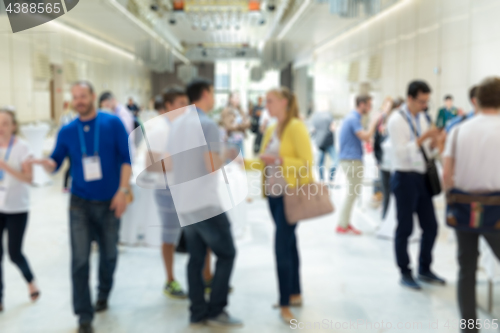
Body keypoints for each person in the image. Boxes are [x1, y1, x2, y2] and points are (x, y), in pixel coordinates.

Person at [31, 81, 132, 333]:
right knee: (79, 261)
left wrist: (123, 191)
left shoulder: (113, 123)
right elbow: (55, 163)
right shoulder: (66, 131)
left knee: (109, 255)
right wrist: (45, 163)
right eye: (75, 97)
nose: (79, 101)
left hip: (110, 201)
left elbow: (126, 160)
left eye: (83, 96)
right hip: (80, 204)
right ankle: (83, 316)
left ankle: (103, 292)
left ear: (93, 97)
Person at [246, 87, 313, 323]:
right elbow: (262, 162)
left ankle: (285, 303)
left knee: (281, 246)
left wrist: (279, 160)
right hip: (274, 195)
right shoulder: (272, 129)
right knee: (289, 243)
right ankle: (295, 293)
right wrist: (239, 162)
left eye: (271, 101)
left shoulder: (296, 127)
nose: (267, 106)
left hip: (290, 194)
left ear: (284, 103)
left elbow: (306, 164)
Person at [178, 78, 241, 327]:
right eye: (212, 93)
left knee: (195, 258)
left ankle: (197, 312)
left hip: (184, 201)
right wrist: (228, 154)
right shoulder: (207, 124)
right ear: (205, 94)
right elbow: (211, 166)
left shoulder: (178, 124)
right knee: (227, 253)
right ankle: (216, 310)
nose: (214, 97)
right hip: (205, 202)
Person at [443, 77, 500, 333]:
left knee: (466, 269)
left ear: (476, 100)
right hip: (497, 208)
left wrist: (451, 197)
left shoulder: (458, 130)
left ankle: (469, 327)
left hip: (464, 208)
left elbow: (447, 174)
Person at [387, 80, 445, 290]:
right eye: (421, 101)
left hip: (421, 177)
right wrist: (423, 138)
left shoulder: (423, 117)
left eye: (427, 101)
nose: (424, 106)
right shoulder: (396, 120)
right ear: (409, 98)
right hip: (404, 178)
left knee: (431, 226)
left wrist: (435, 142)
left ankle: (425, 267)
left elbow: (425, 152)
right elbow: (400, 152)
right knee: (405, 228)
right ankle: (405, 271)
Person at [0, 107, 39, 313]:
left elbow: (29, 178)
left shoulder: (22, 147)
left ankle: (31, 281)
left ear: (14, 126)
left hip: (17, 208)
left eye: (5, 123)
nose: (1, 128)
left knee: (14, 253)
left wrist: (5, 167)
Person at [337, 95, 379, 235]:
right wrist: (374, 123)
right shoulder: (354, 119)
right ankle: (342, 224)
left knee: (352, 194)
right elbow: (365, 136)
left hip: (349, 160)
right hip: (352, 161)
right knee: (351, 194)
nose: (370, 108)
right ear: (362, 104)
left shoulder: (351, 118)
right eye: (369, 105)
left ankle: (344, 223)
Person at [373, 97, 403, 219]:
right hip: (385, 163)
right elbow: (377, 142)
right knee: (387, 194)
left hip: (398, 164)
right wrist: (378, 160)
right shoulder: (382, 121)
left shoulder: (402, 122)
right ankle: (385, 220)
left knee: (397, 195)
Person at [220, 92, 250, 157]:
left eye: (238, 98)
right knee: (232, 161)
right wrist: (242, 124)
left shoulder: (240, 110)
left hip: (240, 139)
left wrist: (237, 124)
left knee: (242, 160)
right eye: (236, 98)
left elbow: (248, 123)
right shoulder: (226, 110)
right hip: (231, 139)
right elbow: (229, 126)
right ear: (230, 99)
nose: (238, 99)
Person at [311, 110, 337, 184]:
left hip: (320, 143)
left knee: (320, 163)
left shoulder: (315, 116)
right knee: (335, 161)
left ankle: (322, 180)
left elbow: (313, 130)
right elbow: (333, 128)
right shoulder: (329, 115)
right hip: (329, 142)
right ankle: (331, 179)